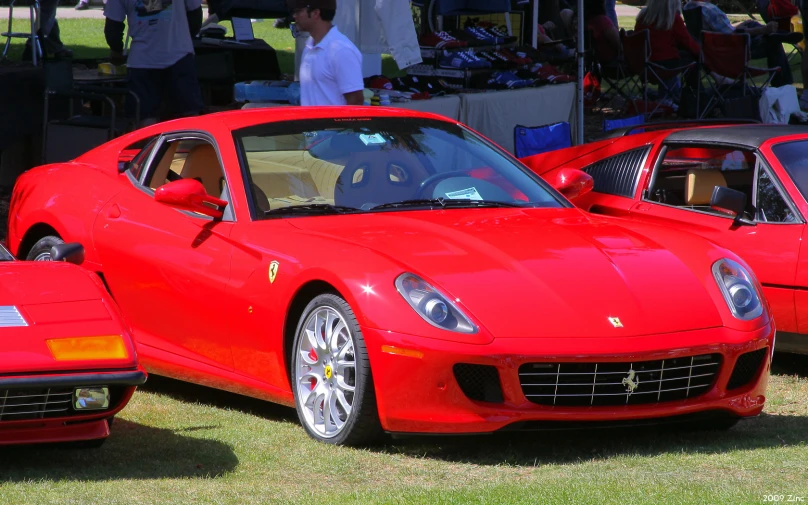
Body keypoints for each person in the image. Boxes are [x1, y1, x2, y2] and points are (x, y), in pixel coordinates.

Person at [104, 0, 204, 126]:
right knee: (188, 117)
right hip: (179, 55)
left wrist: (117, 51)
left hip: (142, 62)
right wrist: (182, 37)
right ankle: (186, 145)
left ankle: (150, 145)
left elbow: (113, 29)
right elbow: (195, 15)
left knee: (145, 119)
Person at [684, 0, 802, 87]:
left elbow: (721, 31)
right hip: (735, 48)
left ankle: (776, 35)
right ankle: (784, 86)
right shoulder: (709, 9)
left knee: (752, 24)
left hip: (717, 48)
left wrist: (740, 25)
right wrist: (763, 30)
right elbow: (733, 35)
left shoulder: (690, 7)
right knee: (773, 43)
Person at [288, 0, 364, 106]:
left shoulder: (341, 51)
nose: (294, 16)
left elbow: (356, 102)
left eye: (298, 11)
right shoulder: (309, 46)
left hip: (331, 123)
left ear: (315, 13)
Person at [635, 0, 701, 89]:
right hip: (665, 66)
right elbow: (688, 43)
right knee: (692, 57)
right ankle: (698, 91)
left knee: (687, 54)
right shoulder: (673, 19)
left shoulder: (643, 17)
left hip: (643, 65)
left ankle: (695, 91)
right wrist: (703, 53)